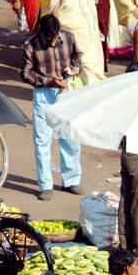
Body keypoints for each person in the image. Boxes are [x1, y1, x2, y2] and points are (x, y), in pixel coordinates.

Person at [22, 13, 83, 201]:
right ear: (42, 33)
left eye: (55, 36)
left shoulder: (68, 37)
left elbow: (77, 56)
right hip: (44, 93)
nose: (53, 40)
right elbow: (25, 73)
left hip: (65, 89)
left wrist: (74, 68)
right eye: (50, 37)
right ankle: (45, 184)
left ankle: (71, 180)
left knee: (69, 136)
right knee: (42, 139)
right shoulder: (31, 44)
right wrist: (48, 81)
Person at [50, 0, 105, 84]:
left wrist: (95, 28)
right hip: (70, 32)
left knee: (90, 63)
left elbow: (90, 9)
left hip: (87, 33)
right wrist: (62, 26)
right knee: (76, 62)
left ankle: (92, 87)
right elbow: (55, 10)